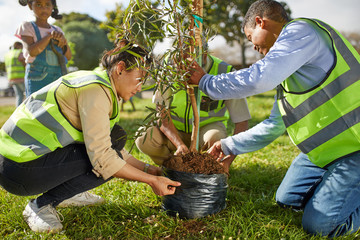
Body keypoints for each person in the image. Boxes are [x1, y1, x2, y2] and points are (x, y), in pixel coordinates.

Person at [188, 0, 360, 237]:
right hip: (322, 153)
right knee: (286, 199)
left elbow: (260, 78)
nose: (254, 47)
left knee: (321, 226)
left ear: (260, 22)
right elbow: (272, 126)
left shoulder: (302, 32)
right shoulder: (289, 75)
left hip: (355, 148)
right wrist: (227, 144)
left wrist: (206, 82)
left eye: (251, 38)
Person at [0, 40, 181, 233]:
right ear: (120, 68)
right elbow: (104, 158)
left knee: (116, 137)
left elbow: (110, 148)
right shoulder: (95, 91)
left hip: (16, 161)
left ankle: (67, 193)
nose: (140, 87)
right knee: (107, 155)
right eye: (140, 78)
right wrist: (151, 181)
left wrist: (150, 170)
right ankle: (40, 205)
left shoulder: (97, 81)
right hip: (18, 169)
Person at [135, 49, 251, 171]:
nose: (183, 69)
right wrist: (179, 144)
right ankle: (174, 166)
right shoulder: (167, 68)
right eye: (180, 62)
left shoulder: (225, 73)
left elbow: (242, 122)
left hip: (206, 132)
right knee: (144, 138)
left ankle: (209, 168)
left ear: (204, 55)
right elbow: (161, 113)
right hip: (174, 131)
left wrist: (228, 160)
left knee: (215, 138)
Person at [16, 0, 72, 96]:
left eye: (47, 5)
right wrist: (49, 37)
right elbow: (32, 52)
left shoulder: (57, 30)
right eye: (38, 4)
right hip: (37, 77)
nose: (44, 8)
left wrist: (63, 43)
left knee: (57, 107)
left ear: (52, 7)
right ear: (30, 6)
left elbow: (68, 56)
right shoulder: (27, 27)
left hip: (58, 75)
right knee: (37, 106)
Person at [4, 42, 26, 106]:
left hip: (12, 78)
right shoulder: (19, 52)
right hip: (21, 77)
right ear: (19, 46)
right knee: (28, 94)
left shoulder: (8, 55)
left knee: (19, 96)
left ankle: (18, 111)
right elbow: (24, 63)